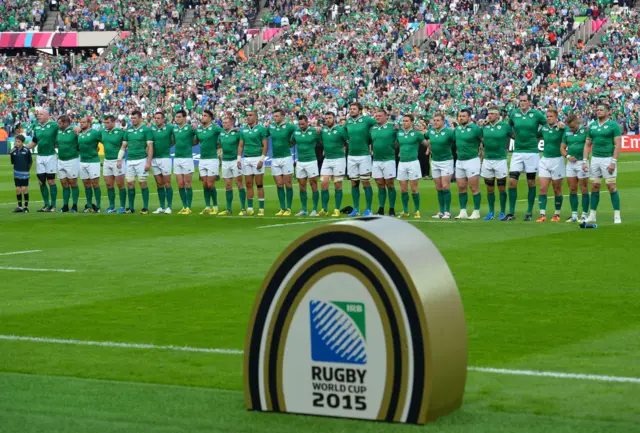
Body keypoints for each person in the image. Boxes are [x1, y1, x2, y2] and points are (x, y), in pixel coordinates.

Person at [505, 94, 546, 221]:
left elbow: (546, 125)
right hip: (517, 152)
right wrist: (513, 136)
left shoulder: (536, 114)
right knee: (512, 181)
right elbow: (508, 127)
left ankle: (529, 211)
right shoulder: (514, 114)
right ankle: (511, 212)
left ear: (529, 102)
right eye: (520, 101)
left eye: (524, 101)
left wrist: (537, 135)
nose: (522, 103)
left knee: (531, 182)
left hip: (532, 152)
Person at [583, 104, 622, 224]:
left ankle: (617, 215)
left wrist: (613, 162)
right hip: (595, 159)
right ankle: (592, 215)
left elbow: (618, 145)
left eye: (601, 110)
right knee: (594, 186)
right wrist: (585, 160)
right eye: (597, 110)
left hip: (607, 159)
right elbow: (587, 144)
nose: (598, 112)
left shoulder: (613, 125)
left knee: (611, 186)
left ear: (608, 112)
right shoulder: (592, 125)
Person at [118, 110, 153, 215]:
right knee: (130, 184)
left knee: (142, 183)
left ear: (140, 118)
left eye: (135, 118)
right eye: (131, 118)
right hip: (130, 161)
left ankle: (145, 207)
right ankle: (131, 208)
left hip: (141, 159)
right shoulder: (128, 130)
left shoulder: (146, 130)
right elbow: (123, 146)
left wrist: (148, 162)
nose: (132, 120)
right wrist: (119, 159)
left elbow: (150, 147)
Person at [345, 102, 376, 217]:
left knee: (366, 182)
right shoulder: (348, 121)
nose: (351, 110)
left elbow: (378, 124)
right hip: (351, 155)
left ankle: (368, 209)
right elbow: (343, 133)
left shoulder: (367, 120)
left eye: (354, 109)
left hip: (364, 155)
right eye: (351, 109)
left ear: (360, 110)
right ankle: (356, 208)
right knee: (354, 182)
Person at [481, 107, 512, 220]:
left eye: (492, 114)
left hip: (500, 160)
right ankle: (491, 212)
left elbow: (514, 136)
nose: (489, 116)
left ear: (498, 115)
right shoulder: (485, 126)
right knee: (489, 188)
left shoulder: (505, 126)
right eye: (488, 113)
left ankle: (503, 212)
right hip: (487, 159)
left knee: (502, 188)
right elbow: (479, 137)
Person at [536, 109, 566, 223]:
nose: (549, 118)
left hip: (557, 160)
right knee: (543, 188)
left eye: (551, 116)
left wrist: (564, 126)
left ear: (556, 117)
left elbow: (570, 131)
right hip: (545, 160)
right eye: (547, 116)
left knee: (557, 188)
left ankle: (556, 214)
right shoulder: (543, 128)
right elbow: (534, 134)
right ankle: (542, 214)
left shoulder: (561, 127)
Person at [453, 109, 483, 220]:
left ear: (469, 117)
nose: (461, 118)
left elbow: (483, 139)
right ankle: (463, 211)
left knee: (474, 187)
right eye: (460, 116)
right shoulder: (457, 129)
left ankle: (476, 211)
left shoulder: (475, 129)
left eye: (463, 116)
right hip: (460, 160)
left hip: (472, 160)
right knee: (461, 187)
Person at [396, 114, 427, 219]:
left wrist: (430, 146)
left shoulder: (417, 134)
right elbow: (396, 143)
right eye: (403, 121)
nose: (404, 123)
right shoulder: (399, 133)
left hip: (413, 162)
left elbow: (426, 143)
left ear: (412, 122)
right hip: (402, 162)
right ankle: (405, 211)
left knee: (414, 188)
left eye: (406, 121)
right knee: (403, 189)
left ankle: (417, 210)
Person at [318, 111, 348, 217]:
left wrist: (343, 148)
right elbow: (321, 141)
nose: (328, 120)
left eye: (330, 118)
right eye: (326, 118)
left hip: (339, 159)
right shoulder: (323, 130)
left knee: (337, 184)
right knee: (324, 183)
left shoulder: (340, 129)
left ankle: (337, 209)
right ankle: (324, 209)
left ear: (334, 118)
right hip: (327, 159)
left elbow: (347, 141)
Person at [238, 110, 268, 216]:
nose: (248, 117)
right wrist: (238, 159)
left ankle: (261, 208)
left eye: (251, 115)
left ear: (256, 117)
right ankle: (250, 208)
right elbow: (241, 145)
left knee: (259, 184)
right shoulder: (243, 130)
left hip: (257, 158)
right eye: (247, 115)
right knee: (248, 184)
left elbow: (265, 145)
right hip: (246, 159)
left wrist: (262, 159)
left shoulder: (261, 129)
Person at [28, 110, 58, 212]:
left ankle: (53, 205)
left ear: (47, 116)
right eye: (38, 115)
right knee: (41, 181)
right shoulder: (36, 126)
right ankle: (46, 204)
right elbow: (34, 142)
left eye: (41, 114)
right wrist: (23, 147)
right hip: (40, 156)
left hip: (50, 156)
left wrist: (75, 128)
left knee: (51, 180)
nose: (38, 116)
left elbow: (65, 128)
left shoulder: (54, 125)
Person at [268, 108, 297, 216]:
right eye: (274, 116)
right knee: (279, 184)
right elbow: (264, 134)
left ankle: (288, 208)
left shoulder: (289, 126)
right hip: (275, 158)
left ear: (282, 116)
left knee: (288, 184)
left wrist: (292, 141)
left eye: (277, 116)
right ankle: (282, 208)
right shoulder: (271, 126)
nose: (275, 118)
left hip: (286, 157)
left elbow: (298, 130)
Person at [561, 114, 589, 222]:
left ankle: (585, 214)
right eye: (570, 127)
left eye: (573, 127)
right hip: (570, 163)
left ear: (578, 123)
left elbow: (590, 144)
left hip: (582, 162)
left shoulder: (585, 130)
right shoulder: (567, 131)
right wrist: (567, 156)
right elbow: (562, 148)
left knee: (584, 188)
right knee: (572, 188)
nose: (571, 129)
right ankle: (574, 215)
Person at [426, 113, 455, 219]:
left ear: (443, 121)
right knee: (438, 187)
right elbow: (426, 139)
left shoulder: (449, 132)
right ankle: (441, 211)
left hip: (446, 161)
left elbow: (456, 140)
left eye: (438, 120)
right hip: (435, 161)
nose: (435, 122)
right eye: (434, 120)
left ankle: (447, 211)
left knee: (445, 186)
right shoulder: (431, 131)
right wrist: (429, 147)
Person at [370, 108, 398, 216]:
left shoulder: (392, 127)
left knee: (390, 184)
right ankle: (381, 208)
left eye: (380, 115)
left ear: (386, 117)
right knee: (380, 185)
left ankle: (391, 208)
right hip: (376, 160)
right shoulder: (373, 128)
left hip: (388, 160)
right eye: (376, 116)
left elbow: (399, 139)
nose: (377, 117)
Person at [195, 109, 224, 215]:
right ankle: (207, 206)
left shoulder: (215, 128)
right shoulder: (199, 129)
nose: (203, 117)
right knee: (204, 184)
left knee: (211, 184)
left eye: (205, 115)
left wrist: (220, 144)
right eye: (202, 115)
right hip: (202, 159)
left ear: (210, 118)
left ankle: (215, 206)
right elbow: (195, 141)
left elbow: (225, 133)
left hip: (212, 159)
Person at [291, 115, 321, 216]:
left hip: (311, 161)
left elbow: (320, 142)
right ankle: (304, 209)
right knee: (302, 185)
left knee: (313, 184)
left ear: (307, 122)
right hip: (300, 162)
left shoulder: (313, 131)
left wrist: (318, 133)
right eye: (299, 124)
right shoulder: (296, 132)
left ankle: (315, 209)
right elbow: (291, 143)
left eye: (303, 124)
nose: (301, 126)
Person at [219, 116, 247, 215]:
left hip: (235, 160)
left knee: (239, 184)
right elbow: (219, 144)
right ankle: (228, 209)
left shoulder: (237, 133)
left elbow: (244, 138)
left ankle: (243, 208)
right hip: (225, 161)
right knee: (227, 186)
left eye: (226, 122)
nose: (224, 124)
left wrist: (241, 129)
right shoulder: (221, 132)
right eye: (223, 122)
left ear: (231, 123)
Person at [101, 115, 127, 214]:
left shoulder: (120, 132)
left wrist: (120, 158)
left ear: (113, 122)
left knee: (120, 184)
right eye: (104, 123)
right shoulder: (102, 132)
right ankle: (112, 206)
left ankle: (122, 206)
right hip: (107, 160)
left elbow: (125, 145)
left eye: (108, 122)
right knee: (109, 184)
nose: (106, 124)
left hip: (117, 161)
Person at [150, 112, 175, 214]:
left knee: (167, 183)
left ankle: (169, 206)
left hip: (165, 158)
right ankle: (161, 206)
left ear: (164, 119)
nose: (157, 120)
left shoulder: (169, 128)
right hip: (154, 158)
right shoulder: (151, 129)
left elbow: (175, 139)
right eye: (155, 118)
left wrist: (168, 145)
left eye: (159, 118)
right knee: (159, 184)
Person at [173, 110, 196, 215]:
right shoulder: (174, 129)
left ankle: (189, 207)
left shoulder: (190, 128)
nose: (177, 118)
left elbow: (199, 135)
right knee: (180, 184)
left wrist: (193, 143)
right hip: (177, 158)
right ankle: (184, 205)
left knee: (187, 183)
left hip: (187, 158)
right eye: (176, 117)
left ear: (184, 117)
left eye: (179, 117)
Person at [55, 115, 80, 214]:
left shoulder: (74, 131)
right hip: (61, 160)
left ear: (66, 123)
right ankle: (65, 205)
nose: (58, 125)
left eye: (60, 123)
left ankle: (74, 205)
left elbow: (81, 141)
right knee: (64, 183)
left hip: (72, 160)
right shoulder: (58, 131)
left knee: (73, 182)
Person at [78, 116, 103, 213]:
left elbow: (103, 141)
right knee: (86, 184)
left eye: (83, 122)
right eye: (80, 122)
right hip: (82, 161)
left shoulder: (95, 133)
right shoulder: (79, 133)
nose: (81, 124)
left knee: (95, 183)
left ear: (89, 123)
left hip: (93, 161)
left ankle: (98, 206)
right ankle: (89, 205)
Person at [10, 135, 32, 213]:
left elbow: (30, 163)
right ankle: (19, 206)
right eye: (16, 141)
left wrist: (27, 171)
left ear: (23, 142)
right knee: (17, 189)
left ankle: (26, 207)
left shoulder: (26, 150)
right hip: (16, 172)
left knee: (24, 188)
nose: (17, 143)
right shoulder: (13, 151)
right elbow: (12, 162)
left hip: (25, 173)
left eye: (19, 142)